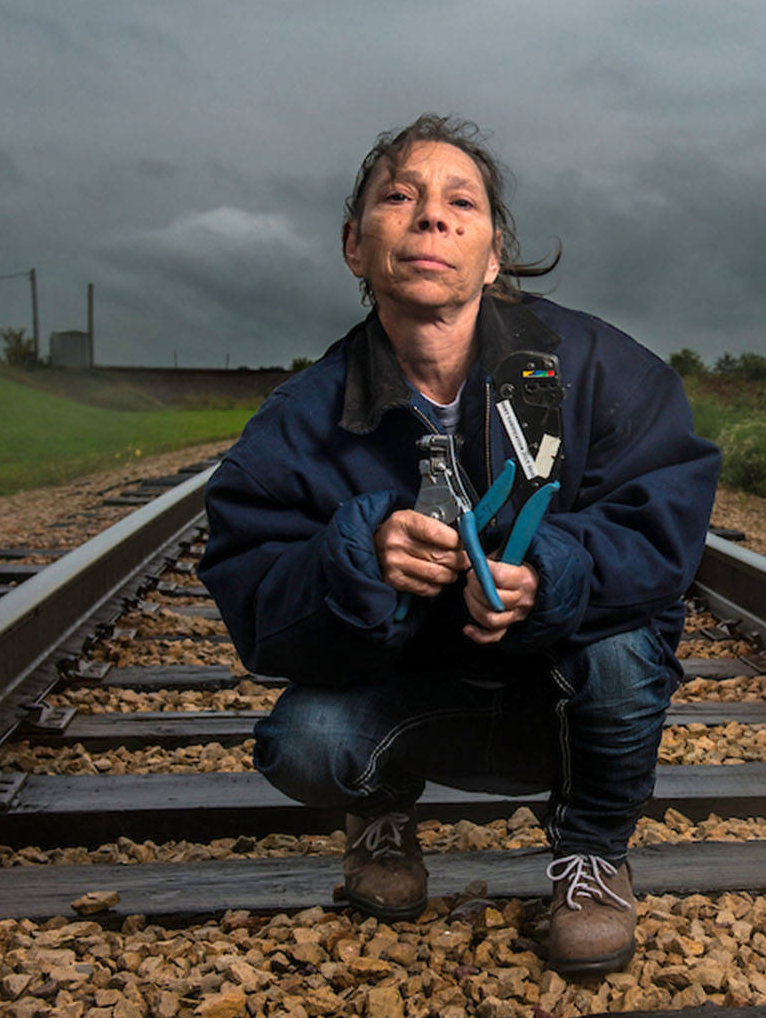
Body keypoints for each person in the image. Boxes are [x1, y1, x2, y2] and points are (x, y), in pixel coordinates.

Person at [197, 114, 720, 974]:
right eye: (398, 197)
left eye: (459, 202)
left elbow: (665, 529)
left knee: (629, 650)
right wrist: (355, 558)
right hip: (415, 705)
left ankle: (591, 851)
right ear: (353, 246)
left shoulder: (597, 368)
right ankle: (382, 814)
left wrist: (551, 573)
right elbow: (258, 612)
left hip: (563, 697)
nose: (429, 217)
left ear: (494, 249)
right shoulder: (299, 419)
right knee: (304, 741)